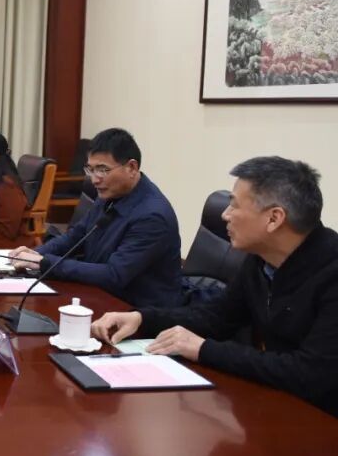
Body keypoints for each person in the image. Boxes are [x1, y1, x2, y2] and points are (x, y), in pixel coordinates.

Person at [91, 156, 338, 418]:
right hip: (279, 405)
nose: (225, 215)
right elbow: (217, 317)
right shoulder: (260, 260)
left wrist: (203, 349)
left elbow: (309, 374)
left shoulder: (330, 272)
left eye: (234, 205)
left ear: (274, 218)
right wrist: (142, 318)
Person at [9, 128, 182, 307]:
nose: (94, 179)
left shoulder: (152, 216)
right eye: (90, 169)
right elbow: (76, 236)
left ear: (131, 167)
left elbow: (114, 275)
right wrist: (37, 254)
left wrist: (46, 263)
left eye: (102, 170)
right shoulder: (110, 195)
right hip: (99, 294)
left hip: (137, 310)